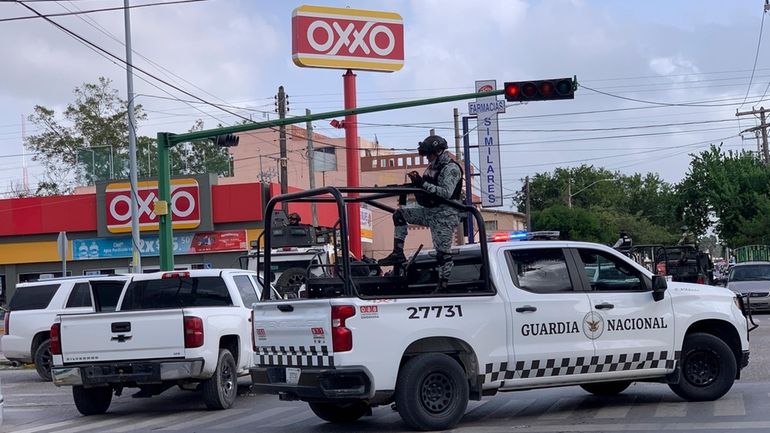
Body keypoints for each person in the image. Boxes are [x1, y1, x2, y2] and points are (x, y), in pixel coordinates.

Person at [379, 134, 463, 291]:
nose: (427, 158)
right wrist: (413, 184)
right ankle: (398, 252)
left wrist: (422, 183)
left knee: (443, 254)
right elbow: (425, 187)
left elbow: (445, 193)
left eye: (429, 154)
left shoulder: (451, 168)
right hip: (429, 210)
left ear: (439, 151)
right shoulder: (432, 167)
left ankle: (443, 285)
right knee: (400, 214)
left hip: (445, 214)